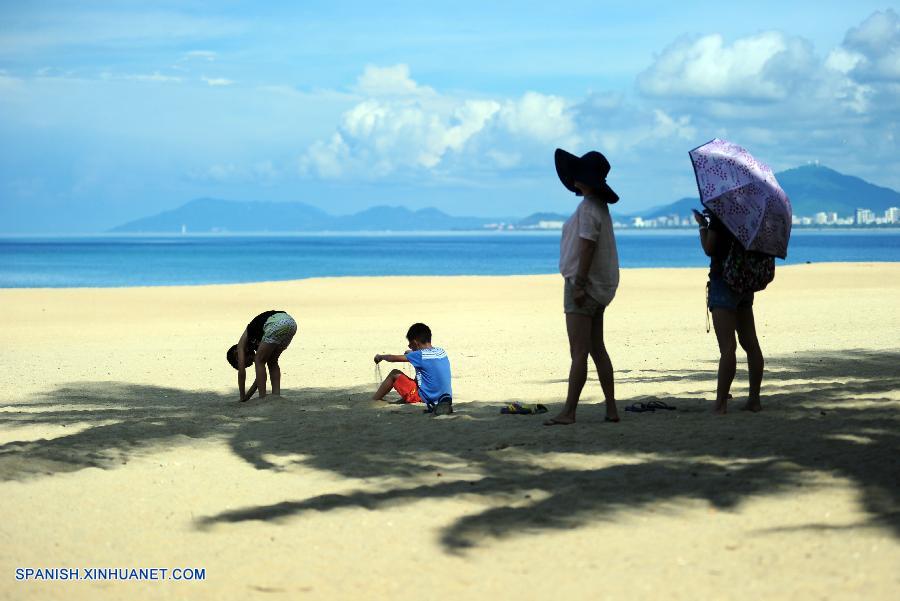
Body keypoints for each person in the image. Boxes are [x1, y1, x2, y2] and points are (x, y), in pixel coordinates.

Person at [544, 149, 620, 426]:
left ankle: (569, 411)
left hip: (584, 285)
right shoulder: (599, 206)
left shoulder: (589, 208)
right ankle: (611, 408)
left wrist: (578, 283)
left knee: (579, 352)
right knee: (596, 347)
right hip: (599, 287)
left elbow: (587, 246)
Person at [694, 210, 764, 414]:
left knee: (727, 347)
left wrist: (702, 225)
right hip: (744, 281)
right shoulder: (751, 213)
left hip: (723, 282)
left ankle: (721, 404)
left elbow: (709, 248)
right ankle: (754, 400)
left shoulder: (722, 212)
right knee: (751, 343)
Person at [373, 323, 453, 416]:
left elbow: (392, 358)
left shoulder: (419, 356)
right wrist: (410, 353)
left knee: (394, 374)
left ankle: (375, 399)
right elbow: (423, 356)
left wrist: (381, 356)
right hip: (443, 397)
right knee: (422, 373)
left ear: (415, 343)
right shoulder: (441, 351)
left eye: (410, 344)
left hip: (426, 398)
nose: (409, 346)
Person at [227, 310, 298, 402]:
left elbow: (241, 372)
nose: (251, 363)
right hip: (291, 323)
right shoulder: (259, 342)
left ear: (236, 355)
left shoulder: (241, 345)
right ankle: (276, 395)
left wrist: (242, 396)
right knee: (272, 361)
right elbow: (259, 379)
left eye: (246, 363)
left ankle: (262, 397)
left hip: (276, 323)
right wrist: (247, 397)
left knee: (259, 360)